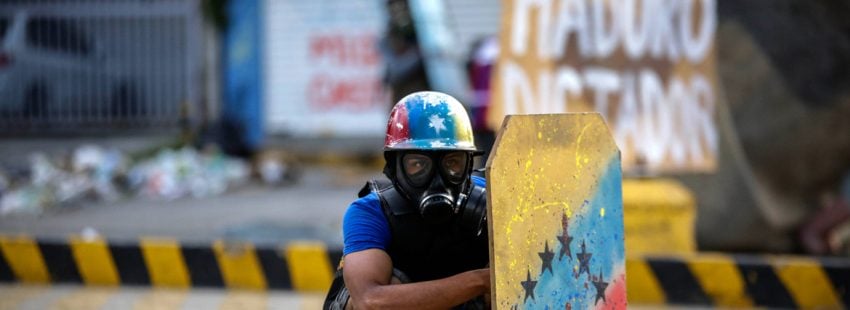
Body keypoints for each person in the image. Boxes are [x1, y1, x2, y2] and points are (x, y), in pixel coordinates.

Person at [324, 91, 491, 309]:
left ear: (469, 164)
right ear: (395, 167)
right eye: (419, 164)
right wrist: (479, 281)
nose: (438, 179)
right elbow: (370, 301)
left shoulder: (494, 200)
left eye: (452, 163)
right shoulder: (372, 212)